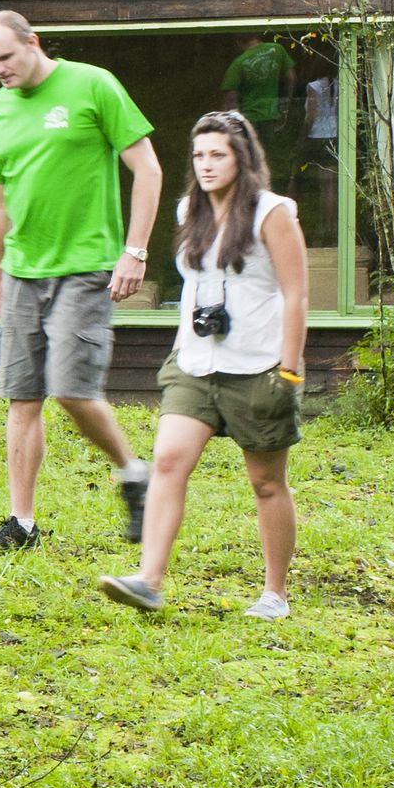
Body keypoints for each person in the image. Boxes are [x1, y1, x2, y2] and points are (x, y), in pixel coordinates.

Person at [97, 111, 307, 617]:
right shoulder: (188, 209)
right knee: (168, 461)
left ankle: (274, 593)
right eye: (199, 155)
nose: (206, 164)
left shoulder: (271, 212)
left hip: (258, 365)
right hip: (194, 362)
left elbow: (297, 293)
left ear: (242, 158)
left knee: (266, 482)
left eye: (218, 154)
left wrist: (290, 370)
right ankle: (149, 580)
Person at [0, 10, 163, 549]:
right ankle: (22, 523)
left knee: (72, 388)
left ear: (33, 42)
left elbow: (147, 168)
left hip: (86, 266)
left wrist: (136, 250)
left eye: (6, 57)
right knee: (22, 396)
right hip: (21, 272)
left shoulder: (93, 85)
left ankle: (134, 473)